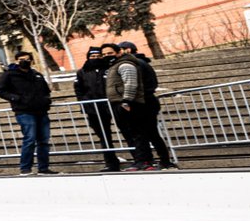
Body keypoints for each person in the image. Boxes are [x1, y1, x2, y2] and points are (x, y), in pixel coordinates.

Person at [108, 41, 176, 170]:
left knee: (146, 134)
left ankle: (155, 161)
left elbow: (134, 84)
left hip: (143, 102)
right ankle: (157, 161)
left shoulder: (134, 64)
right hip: (144, 101)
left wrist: (128, 100)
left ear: (126, 50)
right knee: (149, 134)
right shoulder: (138, 62)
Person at [0, 51, 57, 176]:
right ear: (16, 61)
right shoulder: (9, 75)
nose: (25, 61)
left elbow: (46, 90)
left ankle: (43, 168)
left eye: (28, 59)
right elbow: (0, 90)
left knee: (43, 141)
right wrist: (15, 98)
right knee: (29, 139)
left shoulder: (36, 75)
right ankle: (25, 168)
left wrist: (46, 100)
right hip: (24, 111)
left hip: (41, 111)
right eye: (22, 59)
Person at [73, 45, 124, 173]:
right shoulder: (82, 72)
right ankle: (111, 163)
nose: (95, 58)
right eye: (92, 56)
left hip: (113, 105)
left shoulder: (109, 68)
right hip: (94, 109)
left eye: (98, 56)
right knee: (104, 137)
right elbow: (79, 89)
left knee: (126, 130)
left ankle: (139, 158)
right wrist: (85, 103)